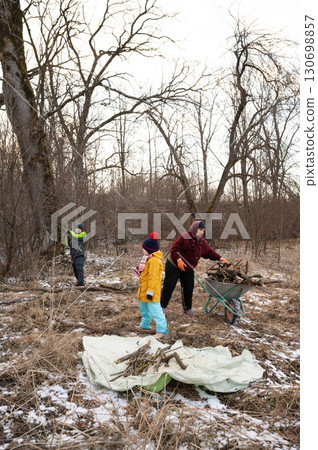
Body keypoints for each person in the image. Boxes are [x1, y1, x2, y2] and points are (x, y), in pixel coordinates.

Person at [161, 221, 230, 316]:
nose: (202, 232)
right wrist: (179, 260)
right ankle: (162, 307)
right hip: (174, 264)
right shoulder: (184, 237)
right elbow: (174, 249)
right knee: (170, 285)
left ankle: (187, 309)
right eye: (200, 229)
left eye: (203, 230)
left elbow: (210, 252)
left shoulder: (202, 242)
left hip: (188, 267)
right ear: (194, 229)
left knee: (189, 287)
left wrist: (220, 258)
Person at [135, 232, 168, 339]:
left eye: (144, 248)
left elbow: (154, 278)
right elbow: (145, 273)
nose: (142, 250)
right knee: (144, 309)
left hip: (151, 291)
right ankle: (145, 325)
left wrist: (151, 291)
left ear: (149, 249)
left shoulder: (154, 261)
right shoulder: (148, 258)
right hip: (144, 289)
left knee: (156, 310)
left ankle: (161, 330)